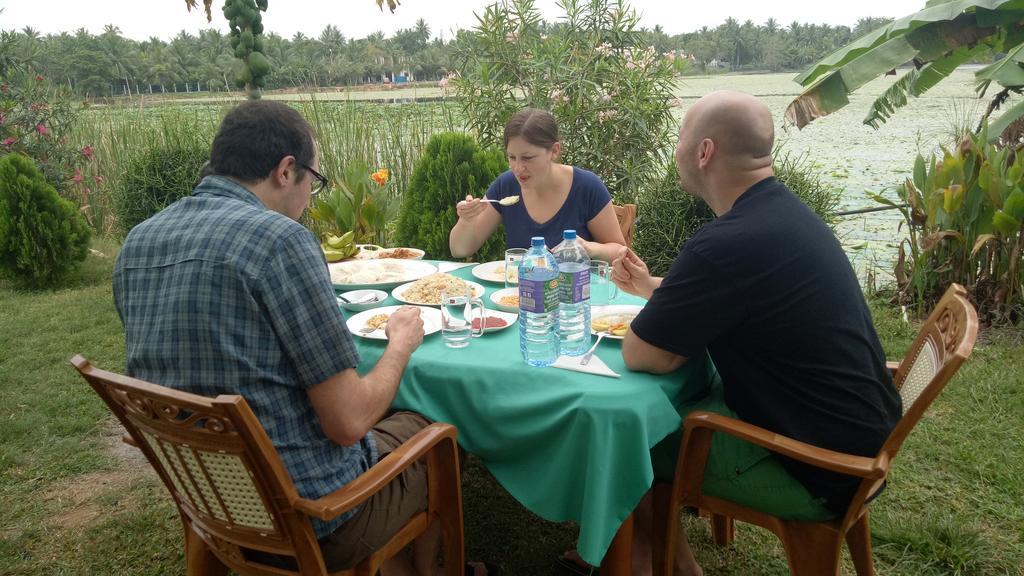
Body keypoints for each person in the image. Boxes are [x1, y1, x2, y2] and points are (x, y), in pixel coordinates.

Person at [113, 101, 493, 576]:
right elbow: (349, 422)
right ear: (286, 170)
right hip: (313, 516)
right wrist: (399, 343)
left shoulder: (139, 241)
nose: (311, 195)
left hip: (210, 497)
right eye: (313, 178)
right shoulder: (280, 241)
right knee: (434, 433)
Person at [607, 90, 902, 576]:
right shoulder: (784, 213)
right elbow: (747, 294)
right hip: (858, 437)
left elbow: (644, 355)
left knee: (631, 440)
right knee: (665, 411)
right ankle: (664, 558)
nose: (676, 149)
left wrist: (661, 305)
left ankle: (655, 561)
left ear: (704, 152)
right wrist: (655, 287)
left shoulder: (727, 243)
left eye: (681, 137)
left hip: (816, 466)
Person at [449, 108, 625, 260]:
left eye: (528, 158)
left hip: (576, 293)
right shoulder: (506, 185)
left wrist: (589, 248)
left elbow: (620, 252)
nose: (518, 168)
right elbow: (459, 250)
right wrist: (466, 220)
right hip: (520, 294)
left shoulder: (586, 187)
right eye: (512, 157)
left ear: (554, 151)